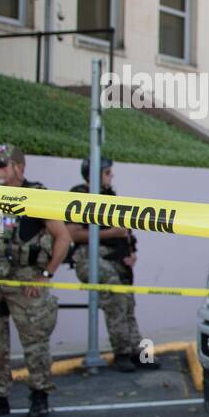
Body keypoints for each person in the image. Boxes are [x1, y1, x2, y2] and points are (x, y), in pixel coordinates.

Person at [0, 144, 71, 417]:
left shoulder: (37, 196)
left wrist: (45, 275)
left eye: (0, 164)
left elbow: (63, 238)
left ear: (19, 167)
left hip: (25, 283)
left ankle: (39, 395)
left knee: (35, 343)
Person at [67, 158, 156, 372]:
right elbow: (73, 233)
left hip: (117, 258)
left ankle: (137, 351)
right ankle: (122, 352)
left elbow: (126, 231)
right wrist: (111, 233)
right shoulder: (79, 195)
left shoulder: (110, 197)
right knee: (116, 297)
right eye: (107, 173)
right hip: (90, 258)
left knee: (128, 303)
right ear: (93, 175)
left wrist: (132, 252)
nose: (111, 176)